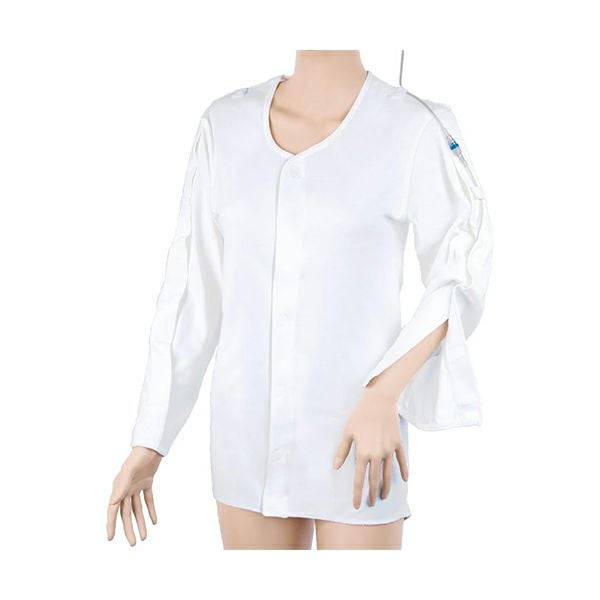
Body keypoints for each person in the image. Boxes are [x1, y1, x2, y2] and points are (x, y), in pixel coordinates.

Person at [107, 50, 493, 550]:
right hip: (246, 437)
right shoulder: (224, 126)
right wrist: (151, 440)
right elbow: (190, 293)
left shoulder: (413, 126)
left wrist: (385, 391)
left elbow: (462, 267)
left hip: (360, 439)